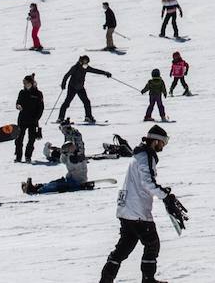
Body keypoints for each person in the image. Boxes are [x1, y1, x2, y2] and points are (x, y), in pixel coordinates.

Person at [99, 125, 172, 283]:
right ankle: (148, 279)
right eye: (163, 143)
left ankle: (105, 280)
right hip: (138, 211)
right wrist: (165, 196)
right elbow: (147, 182)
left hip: (126, 209)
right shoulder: (146, 155)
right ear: (155, 141)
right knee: (152, 244)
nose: (163, 146)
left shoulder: (138, 155)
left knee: (123, 248)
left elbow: (141, 181)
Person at [58, 55, 111, 123]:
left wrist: (105, 73)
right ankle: (60, 118)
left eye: (87, 61)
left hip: (80, 88)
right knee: (67, 102)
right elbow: (67, 75)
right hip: (72, 87)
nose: (86, 63)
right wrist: (63, 83)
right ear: (81, 61)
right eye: (84, 61)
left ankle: (88, 117)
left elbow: (94, 70)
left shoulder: (85, 67)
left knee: (86, 102)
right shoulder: (75, 67)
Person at [14, 74, 44, 163]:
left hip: (33, 120)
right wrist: (18, 106)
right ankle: (18, 157)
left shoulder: (38, 94)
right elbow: (18, 102)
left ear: (31, 83)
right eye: (23, 83)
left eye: (26, 82)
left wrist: (36, 118)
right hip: (22, 119)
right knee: (19, 139)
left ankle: (28, 156)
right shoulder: (22, 92)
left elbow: (41, 108)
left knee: (31, 140)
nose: (24, 84)